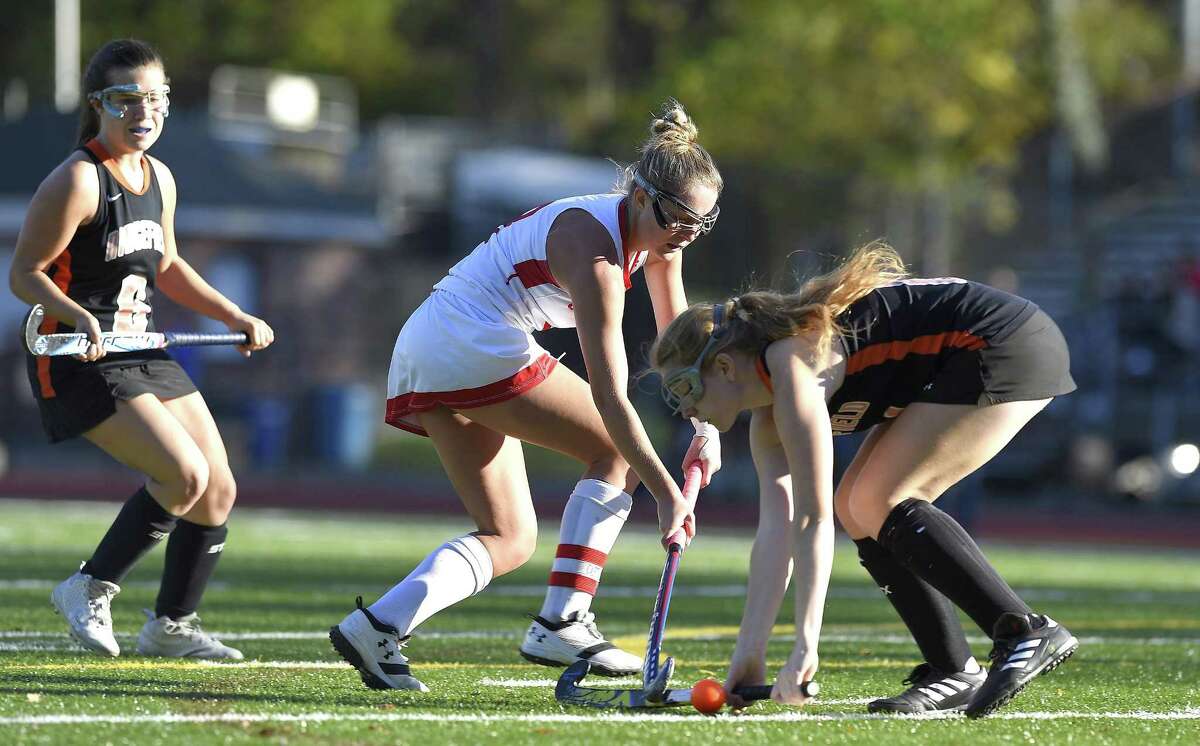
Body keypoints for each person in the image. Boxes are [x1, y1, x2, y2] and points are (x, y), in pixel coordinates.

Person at [328, 100, 723, 691]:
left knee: (509, 537)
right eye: (677, 219)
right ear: (640, 195)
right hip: (470, 339)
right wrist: (668, 492)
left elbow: (677, 337)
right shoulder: (594, 253)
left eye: (700, 225)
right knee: (614, 448)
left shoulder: (662, 239)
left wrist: (704, 427)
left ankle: (377, 625)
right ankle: (563, 621)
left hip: (435, 343)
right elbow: (613, 396)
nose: (684, 235)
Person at [649, 242, 1078, 718]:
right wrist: (750, 653)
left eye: (684, 388)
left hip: (1003, 342)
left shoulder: (793, 369)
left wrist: (805, 649)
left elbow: (811, 522)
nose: (684, 408)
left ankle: (1023, 631)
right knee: (856, 505)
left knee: (877, 498)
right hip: (961, 357)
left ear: (725, 366)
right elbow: (778, 531)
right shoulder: (768, 418)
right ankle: (953, 669)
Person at [8, 39, 273, 659]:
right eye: (128, 100)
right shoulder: (77, 178)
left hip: (141, 346)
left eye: (156, 98)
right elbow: (25, 274)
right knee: (182, 475)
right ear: (99, 104)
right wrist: (75, 313)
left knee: (218, 489)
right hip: (76, 350)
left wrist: (234, 314)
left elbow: (169, 263)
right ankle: (88, 586)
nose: (144, 112)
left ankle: (170, 627)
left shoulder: (161, 178)